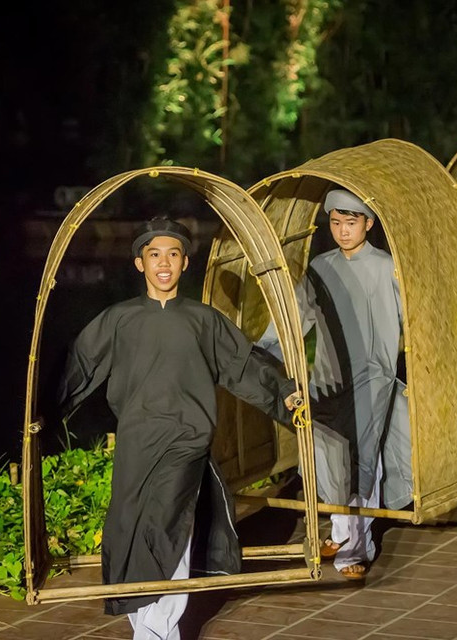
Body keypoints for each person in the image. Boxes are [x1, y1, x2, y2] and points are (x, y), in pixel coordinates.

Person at [58, 216, 301, 640]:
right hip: (137, 440)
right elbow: (77, 366)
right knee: (127, 527)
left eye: (173, 254)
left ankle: (157, 632)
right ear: (140, 264)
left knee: (168, 524)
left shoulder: (204, 321)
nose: (164, 263)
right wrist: (42, 410)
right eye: (154, 255)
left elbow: (243, 364)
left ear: (185, 263)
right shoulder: (119, 320)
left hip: (186, 439)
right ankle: (145, 622)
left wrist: (286, 394)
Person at [257, 188, 410, 581]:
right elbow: (295, 317)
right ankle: (342, 533)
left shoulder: (388, 267)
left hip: (373, 377)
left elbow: (413, 319)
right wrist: (261, 350)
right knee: (327, 454)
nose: (343, 231)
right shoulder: (320, 268)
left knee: (361, 458)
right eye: (337, 223)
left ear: (369, 224)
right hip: (327, 378)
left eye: (352, 222)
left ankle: (352, 549)